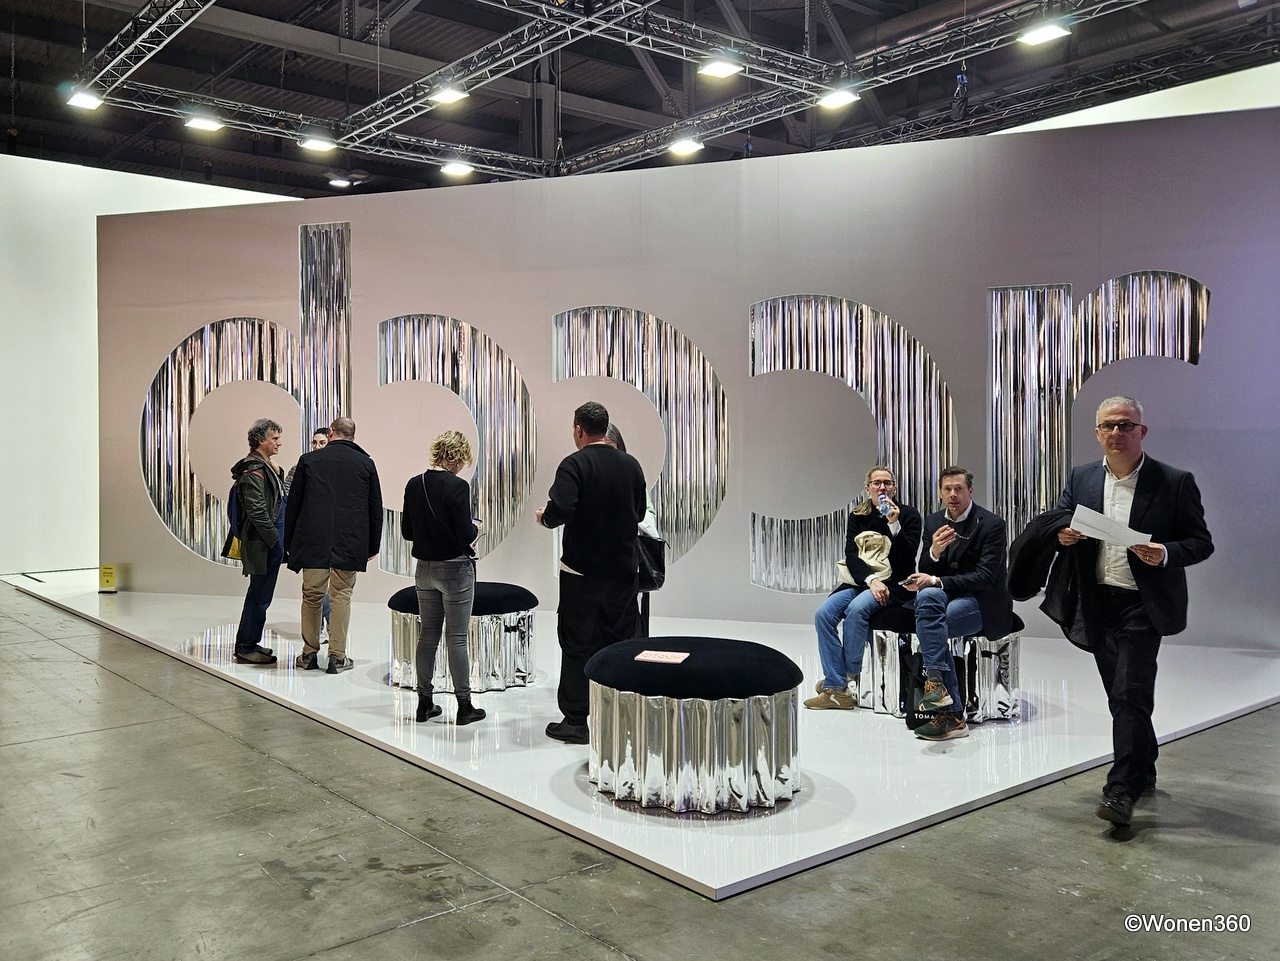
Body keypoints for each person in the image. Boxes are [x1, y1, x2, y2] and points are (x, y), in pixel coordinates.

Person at [1053, 396, 1213, 826]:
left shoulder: (1174, 481)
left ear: (1142, 431)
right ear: (1097, 433)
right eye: (1108, 425)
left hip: (1144, 604)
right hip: (1097, 602)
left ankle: (1120, 790)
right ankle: (1144, 766)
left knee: (1128, 692)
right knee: (1122, 696)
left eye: (1126, 425)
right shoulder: (1082, 477)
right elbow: (1061, 519)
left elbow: (1200, 542)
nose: (1117, 432)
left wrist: (1164, 552)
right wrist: (1062, 535)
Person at [536, 401, 646, 744]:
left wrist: (544, 517)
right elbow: (640, 513)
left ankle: (576, 720)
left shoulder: (574, 464)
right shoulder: (631, 465)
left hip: (581, 573)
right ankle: (619, 715)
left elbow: (561, 509)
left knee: (577, 643)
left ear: (579, 429)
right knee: (619, 641)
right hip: (622, 572)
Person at [901, 466, 1014, 741]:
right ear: (940, 493)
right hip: (946, 593)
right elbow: (925, 567)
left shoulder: (992, 524)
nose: (953, 494)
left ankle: (948, 710)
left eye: (959, 489)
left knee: (935, 626)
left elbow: (985, 577)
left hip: (982, 599)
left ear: (970, 491)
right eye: (948, 489)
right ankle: (941, 694)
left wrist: (936, 580)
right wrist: (934, 551)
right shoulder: (933, 521)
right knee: (925, 598)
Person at [806, 466, 921, 710]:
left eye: (887, 483)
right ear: (868, 489)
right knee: (823, 614)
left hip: (895, 584)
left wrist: (894, 524)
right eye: (877, 483)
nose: (882, 487)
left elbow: (907, 559)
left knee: (857, 609)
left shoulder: (909, 515)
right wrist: (870, 580)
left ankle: (840, 682)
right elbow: (852, 555)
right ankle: (838, 683)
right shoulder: (858, 515)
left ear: (894, 488)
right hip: (862, 581)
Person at [284, 416, 383, 675]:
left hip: (312, 540)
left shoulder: (308, 461)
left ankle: (309, 654)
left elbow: (294, 504)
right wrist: (372, 545)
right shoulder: (366, 463)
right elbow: (375, 508)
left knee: (311, 596)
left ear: (330, 432)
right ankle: (337, 657)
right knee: (341, 596)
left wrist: (290, 541)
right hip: (350, 541)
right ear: (353, 436)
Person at [401, 430, 486, 726]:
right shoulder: (458, 486)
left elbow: (407, 532)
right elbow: (464, 534)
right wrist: (476, 530)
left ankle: (424, 704)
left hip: (423, 569)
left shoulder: (414, 484)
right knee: (457, 638)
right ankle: (464, 706)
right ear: (455, 457)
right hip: (454, 570)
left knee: (428, 636)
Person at [227, 418, 286, 665]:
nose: (279, 443)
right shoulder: (254, 469)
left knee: (261, 595)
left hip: (267, 542)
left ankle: (249, 642)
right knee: (259, 596)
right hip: (263, 543)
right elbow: (257, 511)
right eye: (275, 438)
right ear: (261, 440)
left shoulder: (263, 467)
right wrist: (275, 541)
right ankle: (246, 646)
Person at [603, 423, 660, 637]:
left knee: (628, 620)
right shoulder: (588, 472)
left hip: (627, 561)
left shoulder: (630, 472)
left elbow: (648, 516)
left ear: (619, 446)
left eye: (610, 446)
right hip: (597, 564)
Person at [284, 427, 332, 632]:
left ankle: (328, 627)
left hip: (331, 535)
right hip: (309, 534)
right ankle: (319, 627)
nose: (317, 446)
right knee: (314, 586)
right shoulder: (299, 467)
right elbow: (288, 499)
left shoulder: (337, 469)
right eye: (314, 442)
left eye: (322, 443)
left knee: (330, 587)